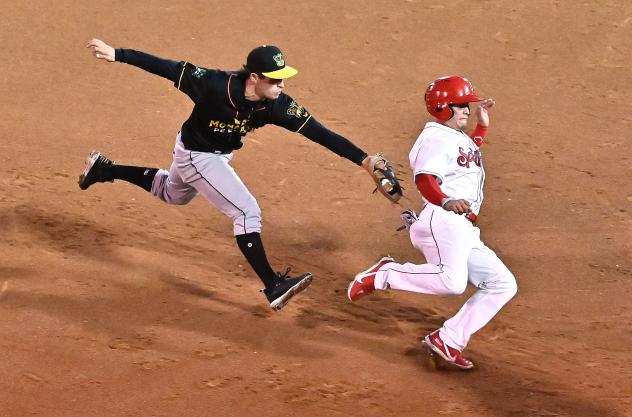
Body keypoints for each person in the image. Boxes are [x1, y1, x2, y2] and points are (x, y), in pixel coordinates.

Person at [81, 38, 398, 311]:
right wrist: (118, 53)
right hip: (197, 156)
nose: (282, 86)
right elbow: (165, 66)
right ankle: (272, 285)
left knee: (171, 193)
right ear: (255, 78)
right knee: (246, 212)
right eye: (275, 81)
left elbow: (321, 134)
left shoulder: (277, 104)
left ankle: (104, 169)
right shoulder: (214, 84)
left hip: (206, 152)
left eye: (283, 79)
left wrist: (365, 160)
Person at [347, 76, 518, 369]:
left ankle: (448, 340)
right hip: (445, 220)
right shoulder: (435, 138)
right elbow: (425, 179)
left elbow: (467, 157)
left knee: (502, 284)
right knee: (452, 283)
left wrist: (482, 125)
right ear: (443, 107)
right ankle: (384, 273)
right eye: (461, 105)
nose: (467, 109)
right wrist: (445, 201)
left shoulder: (455, 137)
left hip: (463, 228)